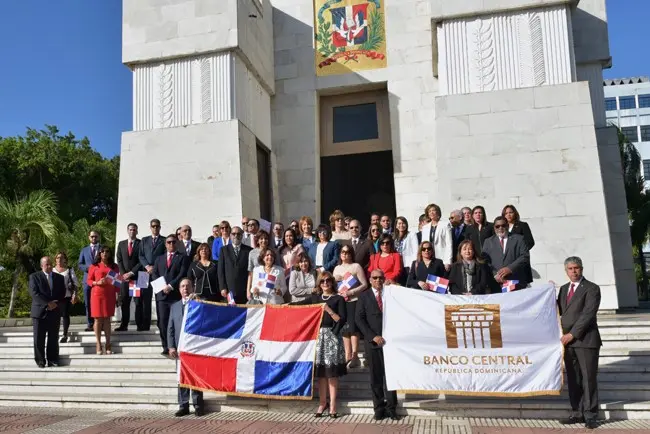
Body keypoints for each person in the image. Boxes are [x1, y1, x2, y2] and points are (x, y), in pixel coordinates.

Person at [292, 271, 347, 418]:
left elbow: (341, 320)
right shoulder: (315, 298)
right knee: (321, 374)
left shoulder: (338, 299)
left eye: (328, 281)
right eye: (322, 281)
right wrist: (282, 306)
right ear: (319, 283)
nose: (325, 283)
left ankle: (333, 405)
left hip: (332, 337)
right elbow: (299, 305)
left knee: (332, 374)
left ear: (332, 282)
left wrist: (328, 310)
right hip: (318, 337)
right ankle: (323, 403)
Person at [558, 257, 602, 430]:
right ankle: (577, 412)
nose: (574, 271)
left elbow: (588, 315)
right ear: (566, 270)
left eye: (577, 268)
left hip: (586, 341)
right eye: (570, 268)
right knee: (574, 379)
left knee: (588, 378)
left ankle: (590, 415)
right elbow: (556, 311)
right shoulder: (563, 289)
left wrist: (572, 334)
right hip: (568, 343)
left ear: (582, 269)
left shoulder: (592, 288)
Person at [356, 269, 399, 421]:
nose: (378, 280)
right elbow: (359, 319)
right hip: (372, 342)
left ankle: (392, 408)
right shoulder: (364, 296)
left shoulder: (390, 294)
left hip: (390, 343)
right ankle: (379, 409)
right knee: (376, 377)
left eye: (381, 278)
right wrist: (372, 336)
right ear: (370, 279)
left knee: (390, 377)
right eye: (375, 278)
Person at [168, 278, 205, 417]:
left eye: (188, 286)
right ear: (179, 289)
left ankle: (198, 405)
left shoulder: (199, 303)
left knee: (195, 377)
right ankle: (183, 405)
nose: (185, 289)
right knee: (181, 378)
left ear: (193, 288)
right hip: (180, 350)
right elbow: (170, 328)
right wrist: (171, 347)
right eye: (183, 286)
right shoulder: (175, 306)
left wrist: (198, 300)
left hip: (195, 348)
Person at [153, 234, 190, 356]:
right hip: (162, 296)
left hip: (175, 296)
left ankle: (176, 345)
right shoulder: (159, 259)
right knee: (163, 322)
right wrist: (162, 287)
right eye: (169, 242)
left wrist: (171, 286)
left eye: (174, 242)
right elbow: (155, 274)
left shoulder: (182, 258)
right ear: (165, 244)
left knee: (176, 322)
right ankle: (166, 347)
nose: (171, 244)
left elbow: (182, 274)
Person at [333, 245, 368, 369]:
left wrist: (351, 292)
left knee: (353, 328)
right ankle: (347, 355)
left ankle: (355, 356)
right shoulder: (336, 268)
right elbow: (332, 287)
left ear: (351, 253)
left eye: (348, 252)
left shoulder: (356, 266)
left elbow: (364, 284)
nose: (345, 254)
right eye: (343, 252)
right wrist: (335, 279)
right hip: (341, 301)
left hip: (353, 300)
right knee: (344, 329)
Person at [29, 256, 66, 368]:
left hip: (54, 311)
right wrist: (47, 304)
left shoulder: (59, 278)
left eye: (51, 264)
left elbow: (62, 292)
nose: (50, 266)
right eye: (47, 265)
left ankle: (53, 359)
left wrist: (55, 303)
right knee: (39, 338)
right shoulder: (34, 277)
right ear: (41, 266)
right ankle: (40, 360)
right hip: (40, 312)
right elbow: (34, 293)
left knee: (53, 338)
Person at [87, 247, 121, 355]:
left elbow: (117, 282)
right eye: (102, 251)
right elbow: (88, 280)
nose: (105, 253)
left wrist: (118, 295)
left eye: (107, 251)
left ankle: (108, 343)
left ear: (110, 254)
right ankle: (98, 343)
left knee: (107, 318)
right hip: (97, 294)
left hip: (109, 295)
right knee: (98, 319)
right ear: (99, 253)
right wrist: (97, 283)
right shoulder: (94, 266)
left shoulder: (114, 266)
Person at [482, 216, 530, 291]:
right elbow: (485, 261)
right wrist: (496, 274)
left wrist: (510, 268)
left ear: (507, 226)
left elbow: (525, 256)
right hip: (496, 282)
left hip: (515, 280)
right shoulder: (488, 242)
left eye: (503, 225)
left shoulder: (519, 239)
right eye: (497, 226)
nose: (500, 228)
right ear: (494, 228)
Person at [138, 219, 166, 331]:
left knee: (160, 299)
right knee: (145, 299)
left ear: (160, 227)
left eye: (157, 226)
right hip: (144, 273)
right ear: (150, 227)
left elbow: (165, 255)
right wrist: (147, 266)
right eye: (153, 226)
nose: (155, 228)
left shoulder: (164, 240)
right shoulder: (144, 240)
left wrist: (155, 267)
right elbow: (141, 256)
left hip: (158, 273)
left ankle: (161, 323)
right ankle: (145, 324)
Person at [115, 223, 141, 332]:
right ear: (127, 231)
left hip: (135, 279)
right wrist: (123, 273)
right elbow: (119, 259)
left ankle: (140, 325)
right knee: (125, 302)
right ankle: (124, 324)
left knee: (137, 302)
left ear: (137, 231)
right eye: (130, 229)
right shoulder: (121, 244)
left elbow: (141, 260)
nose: (132, 231)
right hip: (124, 279)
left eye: (134, 230)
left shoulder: (141, 244)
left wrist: (131, 273)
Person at [218, 226, 252, 304]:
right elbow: (220, 271)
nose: (236, 236)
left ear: (242, 235)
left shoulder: (249, 250)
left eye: (238, 234)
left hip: (244, 290)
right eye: (233, 234)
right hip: (229, 290)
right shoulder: (224, 250)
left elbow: (250, 271)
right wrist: (222, 287)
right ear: (230, 235)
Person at [503, 204, 535, 284]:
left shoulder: (522, 225)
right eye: (506, 213)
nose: (508, 215)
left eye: (511, 212)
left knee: (521, 285)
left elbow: (530, 242)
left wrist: (520, 252)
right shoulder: (502, 227)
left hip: (520, 260)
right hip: (506, 262)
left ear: (515, 213)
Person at [78, 230, 101, 331]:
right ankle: (90, 323)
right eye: (92, 237)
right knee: (88, 302)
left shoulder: (102, 249)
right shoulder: (84, 250)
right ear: (89, 237)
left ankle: (100, 323)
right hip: (87, 279)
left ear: (98, 237)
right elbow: (80, 264)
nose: (94, 238)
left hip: (100, 280)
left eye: (95, 236)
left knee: (99, 301)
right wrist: (88, 268)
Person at [418, 204, 453, 271]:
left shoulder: (445, 225)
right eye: (429, 211)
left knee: (441, 280)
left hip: (442, 258)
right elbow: (423, 245)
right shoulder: (425, 227)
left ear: (438, 212)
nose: (431, 212)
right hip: (428, 258)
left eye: (433, 210)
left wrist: (448, 261)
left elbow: (449, 244)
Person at [53, 252, 79, 343]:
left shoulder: (69, 270)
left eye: (62, 258)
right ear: (55, 259)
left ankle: (64, 334)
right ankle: (54, 334)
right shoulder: (52, 270)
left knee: (65, 315)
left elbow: (75, 283)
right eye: (57, 258)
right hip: (54, 297)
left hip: (65, 296)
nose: (59, 259)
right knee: (54, 316)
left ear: (65, 259)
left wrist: (75, 294)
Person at [393, 216, 418, 284]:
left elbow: (416, 250)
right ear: (396, 226)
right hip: (397, 265)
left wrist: (414, 264)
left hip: (408, 264)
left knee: (408, 284)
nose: (401, 225)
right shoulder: (394, 237)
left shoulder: (411, 234)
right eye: (399, 223)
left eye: (403, 223)